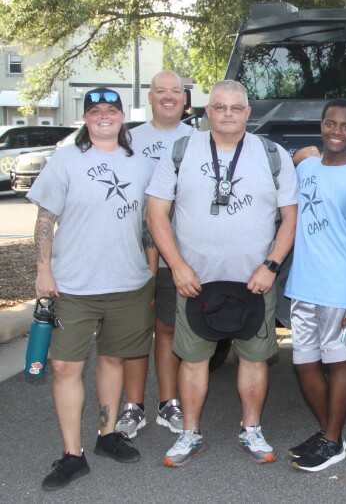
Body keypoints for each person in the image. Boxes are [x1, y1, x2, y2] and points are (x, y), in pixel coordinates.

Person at [146, 80, 298, 467]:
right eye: (219, 107)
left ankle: (251, 430)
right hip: (195, 280)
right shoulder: (181, 151)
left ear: (248, 113)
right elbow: (156, 212)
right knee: (194, 360)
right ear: (207, 112)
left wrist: (271, 266)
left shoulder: (272, 155)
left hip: (254, 280)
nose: (228, 113)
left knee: (254, 359)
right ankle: (190, 434)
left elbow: (290, 218)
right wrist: (177, 266)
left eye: (236, 107)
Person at [28, 88, 155, 490]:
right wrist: (43, 272)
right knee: (65, 367)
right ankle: (72, 454)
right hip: (73, 285)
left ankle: (106, 435)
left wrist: (150, 273)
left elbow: (151, 224)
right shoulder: (64, 161)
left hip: (127, 283)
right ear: (85, 119)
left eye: (112, 110)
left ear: (122, 117)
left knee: (113, 360)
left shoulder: (142, 164)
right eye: (96, 111)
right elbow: (45, 220)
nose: (104, 116)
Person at [284, 99, 346, 472]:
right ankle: (330, 433)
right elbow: (292, 163)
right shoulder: (307, 166)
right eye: (330, 123)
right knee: (305, 364)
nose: (336, 131)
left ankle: (331, 441)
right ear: (321, 126)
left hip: (341, 296)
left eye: (345, 126)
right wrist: (297, 155)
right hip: (303, 289)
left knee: (338, 365)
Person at [116, 70, 196, 439]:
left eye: (175, 91)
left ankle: (168, 403)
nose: (169, 97)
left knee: (166, 328)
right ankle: (133, 406)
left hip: (176, 256)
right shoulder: (128, 139)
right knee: (134, 334)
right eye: (161, 91)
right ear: (150, 97)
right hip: (131, 254)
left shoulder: (199, 140)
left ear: (185, 98)